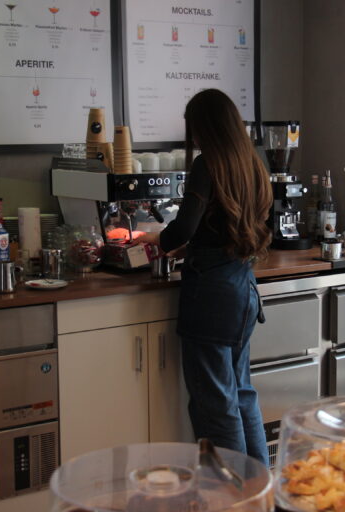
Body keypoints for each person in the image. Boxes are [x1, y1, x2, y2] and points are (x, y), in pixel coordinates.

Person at [136, 89, 272, 465]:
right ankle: (260, 494)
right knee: (242, 396)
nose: (193, 136)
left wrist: (157, 239)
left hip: (211, 298)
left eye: (194, 127)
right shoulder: (252, 163)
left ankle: (230, 500)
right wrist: (194, 244)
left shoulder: (207, 164)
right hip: (243, 289)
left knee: (216, 406)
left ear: (205, 127)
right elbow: (228, 227)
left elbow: (182, 229)